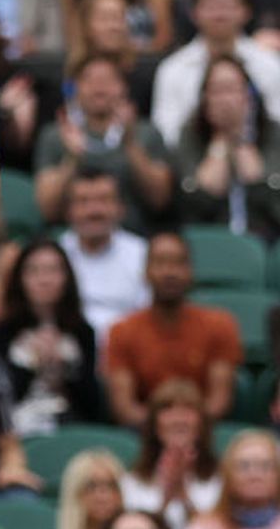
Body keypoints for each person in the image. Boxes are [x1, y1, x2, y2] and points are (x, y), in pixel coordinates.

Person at [103, 233, 240, 431]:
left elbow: (219, 402)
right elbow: (124, 408)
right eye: (160, 263)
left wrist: (184, 427)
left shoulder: (220, 325)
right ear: (145, 272)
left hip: (203, 435)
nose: (169, 272)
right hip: (145, 436)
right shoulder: (121, 331)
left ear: (191, 271)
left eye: (178, 263)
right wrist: (165, 428)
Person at [32, 55, 172, 234]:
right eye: (89, 80)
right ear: (74, 89)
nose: (99, 87)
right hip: (72, 241)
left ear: (124, 88)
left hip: (136, 236)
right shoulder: (55, 135)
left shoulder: (146, 133)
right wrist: (72, 158)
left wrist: (130, 144)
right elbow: (47, 208)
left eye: (108, 79)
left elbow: (160, 199)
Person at [151, 0, 280, 149]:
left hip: (262, 165)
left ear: (245, 11)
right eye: (211, 6)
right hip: (193, 165)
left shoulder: (270, 64)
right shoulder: (172, 69)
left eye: (227, 5)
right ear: (194, 13)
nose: (219, 14)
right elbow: (166, 133)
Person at [0, 239, 99, 436]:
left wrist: (63, 368)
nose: (44, 279)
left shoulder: (82, 331)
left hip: (71, 427)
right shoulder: (4, 332)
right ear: (20, 279)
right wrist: (34, 361)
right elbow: (1, 398)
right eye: (34, 271)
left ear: (67, 278)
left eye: (53, 270)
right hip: (17, 430)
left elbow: (95, 406)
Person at [174, 55, 280, 241]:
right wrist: (221, 139)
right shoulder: (190, 135)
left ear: (248, 96)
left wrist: (241, 137)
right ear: (204, 99)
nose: (224, 99)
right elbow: (200, 200)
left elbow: (267, 196)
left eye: (231, 89)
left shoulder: (273, 132)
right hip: (209, 240)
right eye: (216, 91)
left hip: (267, 240)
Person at [119, 380, 222, 529]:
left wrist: (185, 500)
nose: (178, 419)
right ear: (154, 424)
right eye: (167, 409)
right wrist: (165, 501)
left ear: (202, 423)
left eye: (188, 409)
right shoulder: (131, 481)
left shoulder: (223, 479)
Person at [57, 165, 148, 343]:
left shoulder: (143, 254)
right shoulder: (55, 255)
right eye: (83, 201)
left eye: (104, 200)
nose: (93, 211)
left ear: (121, 208)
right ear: (68, 211)